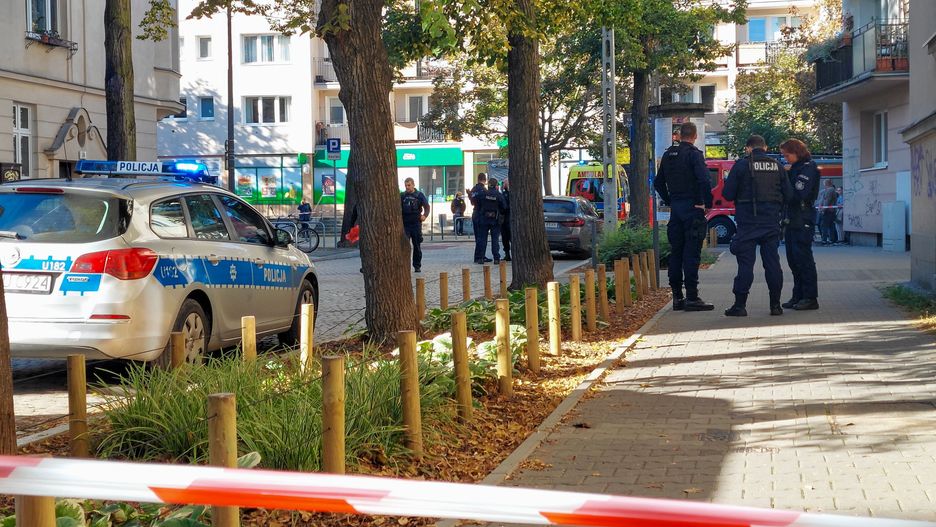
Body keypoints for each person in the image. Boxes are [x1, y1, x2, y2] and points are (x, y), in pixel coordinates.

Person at [722, 135, 794, 317]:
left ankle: (740, 306)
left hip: (747, 223)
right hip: (771, 222)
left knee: (745, 265)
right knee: (772, 264)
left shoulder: (741, 165)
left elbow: (728, 194)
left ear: (748, 148)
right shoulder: (777, 166)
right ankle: (775, 305)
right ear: (765, 147)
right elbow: (789, 195)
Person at [652, 122, 715, 312]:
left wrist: (670, 200)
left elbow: (658, 183)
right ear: (695, 136)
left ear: (680, 135)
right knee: (691, 254)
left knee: (676, 253)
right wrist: (707, 203)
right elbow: (704, 180)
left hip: (676, 210)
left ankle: (677, 297)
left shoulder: (668, 155)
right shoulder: (694, 155)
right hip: (693, 208)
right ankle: (692, 297)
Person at [779, 139, 820, 311]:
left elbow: (798, 193)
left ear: (796, 152)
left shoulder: (808, 168)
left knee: (803, 259)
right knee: (793, 260)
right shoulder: (795, 168)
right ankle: (798, 295)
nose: (785, 159)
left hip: (803, 218)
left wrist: (785, 178)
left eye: (787, 155)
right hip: (792, 218)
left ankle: (810, 297)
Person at [474, 177, 506, 264]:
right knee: (495, 240)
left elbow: (477, 204)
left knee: (482, 239)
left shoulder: (483, 194)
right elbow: (504, 206)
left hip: (484, 219)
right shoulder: (498, 195)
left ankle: (481, 258)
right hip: (495, 220)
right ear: (496, 185)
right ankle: (496, 258)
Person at [401, 177, 431, 273]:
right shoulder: (402, 195)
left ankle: (417, 266)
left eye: (409, 185)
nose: (407, 187)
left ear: (413, 185)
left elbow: (427, 207)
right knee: (404, 246)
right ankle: (404, 266)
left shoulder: (419, 195)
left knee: (417, 245)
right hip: (405, 224)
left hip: (416, 224)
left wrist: (425, 215)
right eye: (406, 185)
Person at [470, 172, 492, 264]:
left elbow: (472, 202)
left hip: (475, 213)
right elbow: (486, 203)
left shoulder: (473, 189)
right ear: (485, 180)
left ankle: (478, 256)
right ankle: (480, 257)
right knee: (482, 237)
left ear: (478, 179)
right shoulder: (483, 190)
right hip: (481, 214)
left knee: (477, 237)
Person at [819, 179, 837, 245]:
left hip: (828, 211)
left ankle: (824, 240)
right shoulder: (832, 190)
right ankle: (832, 239)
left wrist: (823, 210)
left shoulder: (829, 190)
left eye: (824, 183)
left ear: (826, 184)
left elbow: (827, 200)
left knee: (824, 226)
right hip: (831, 211)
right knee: (831, 226)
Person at [500, 181, 512, 261]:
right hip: (504, 220)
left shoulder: (509, 194)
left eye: (503, 183)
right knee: (505, 238)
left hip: (509, 218)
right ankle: (507, 254)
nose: (502, 185)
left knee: (511, 237)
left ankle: (510, 254)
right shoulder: (503, 194)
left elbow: (504, 206)